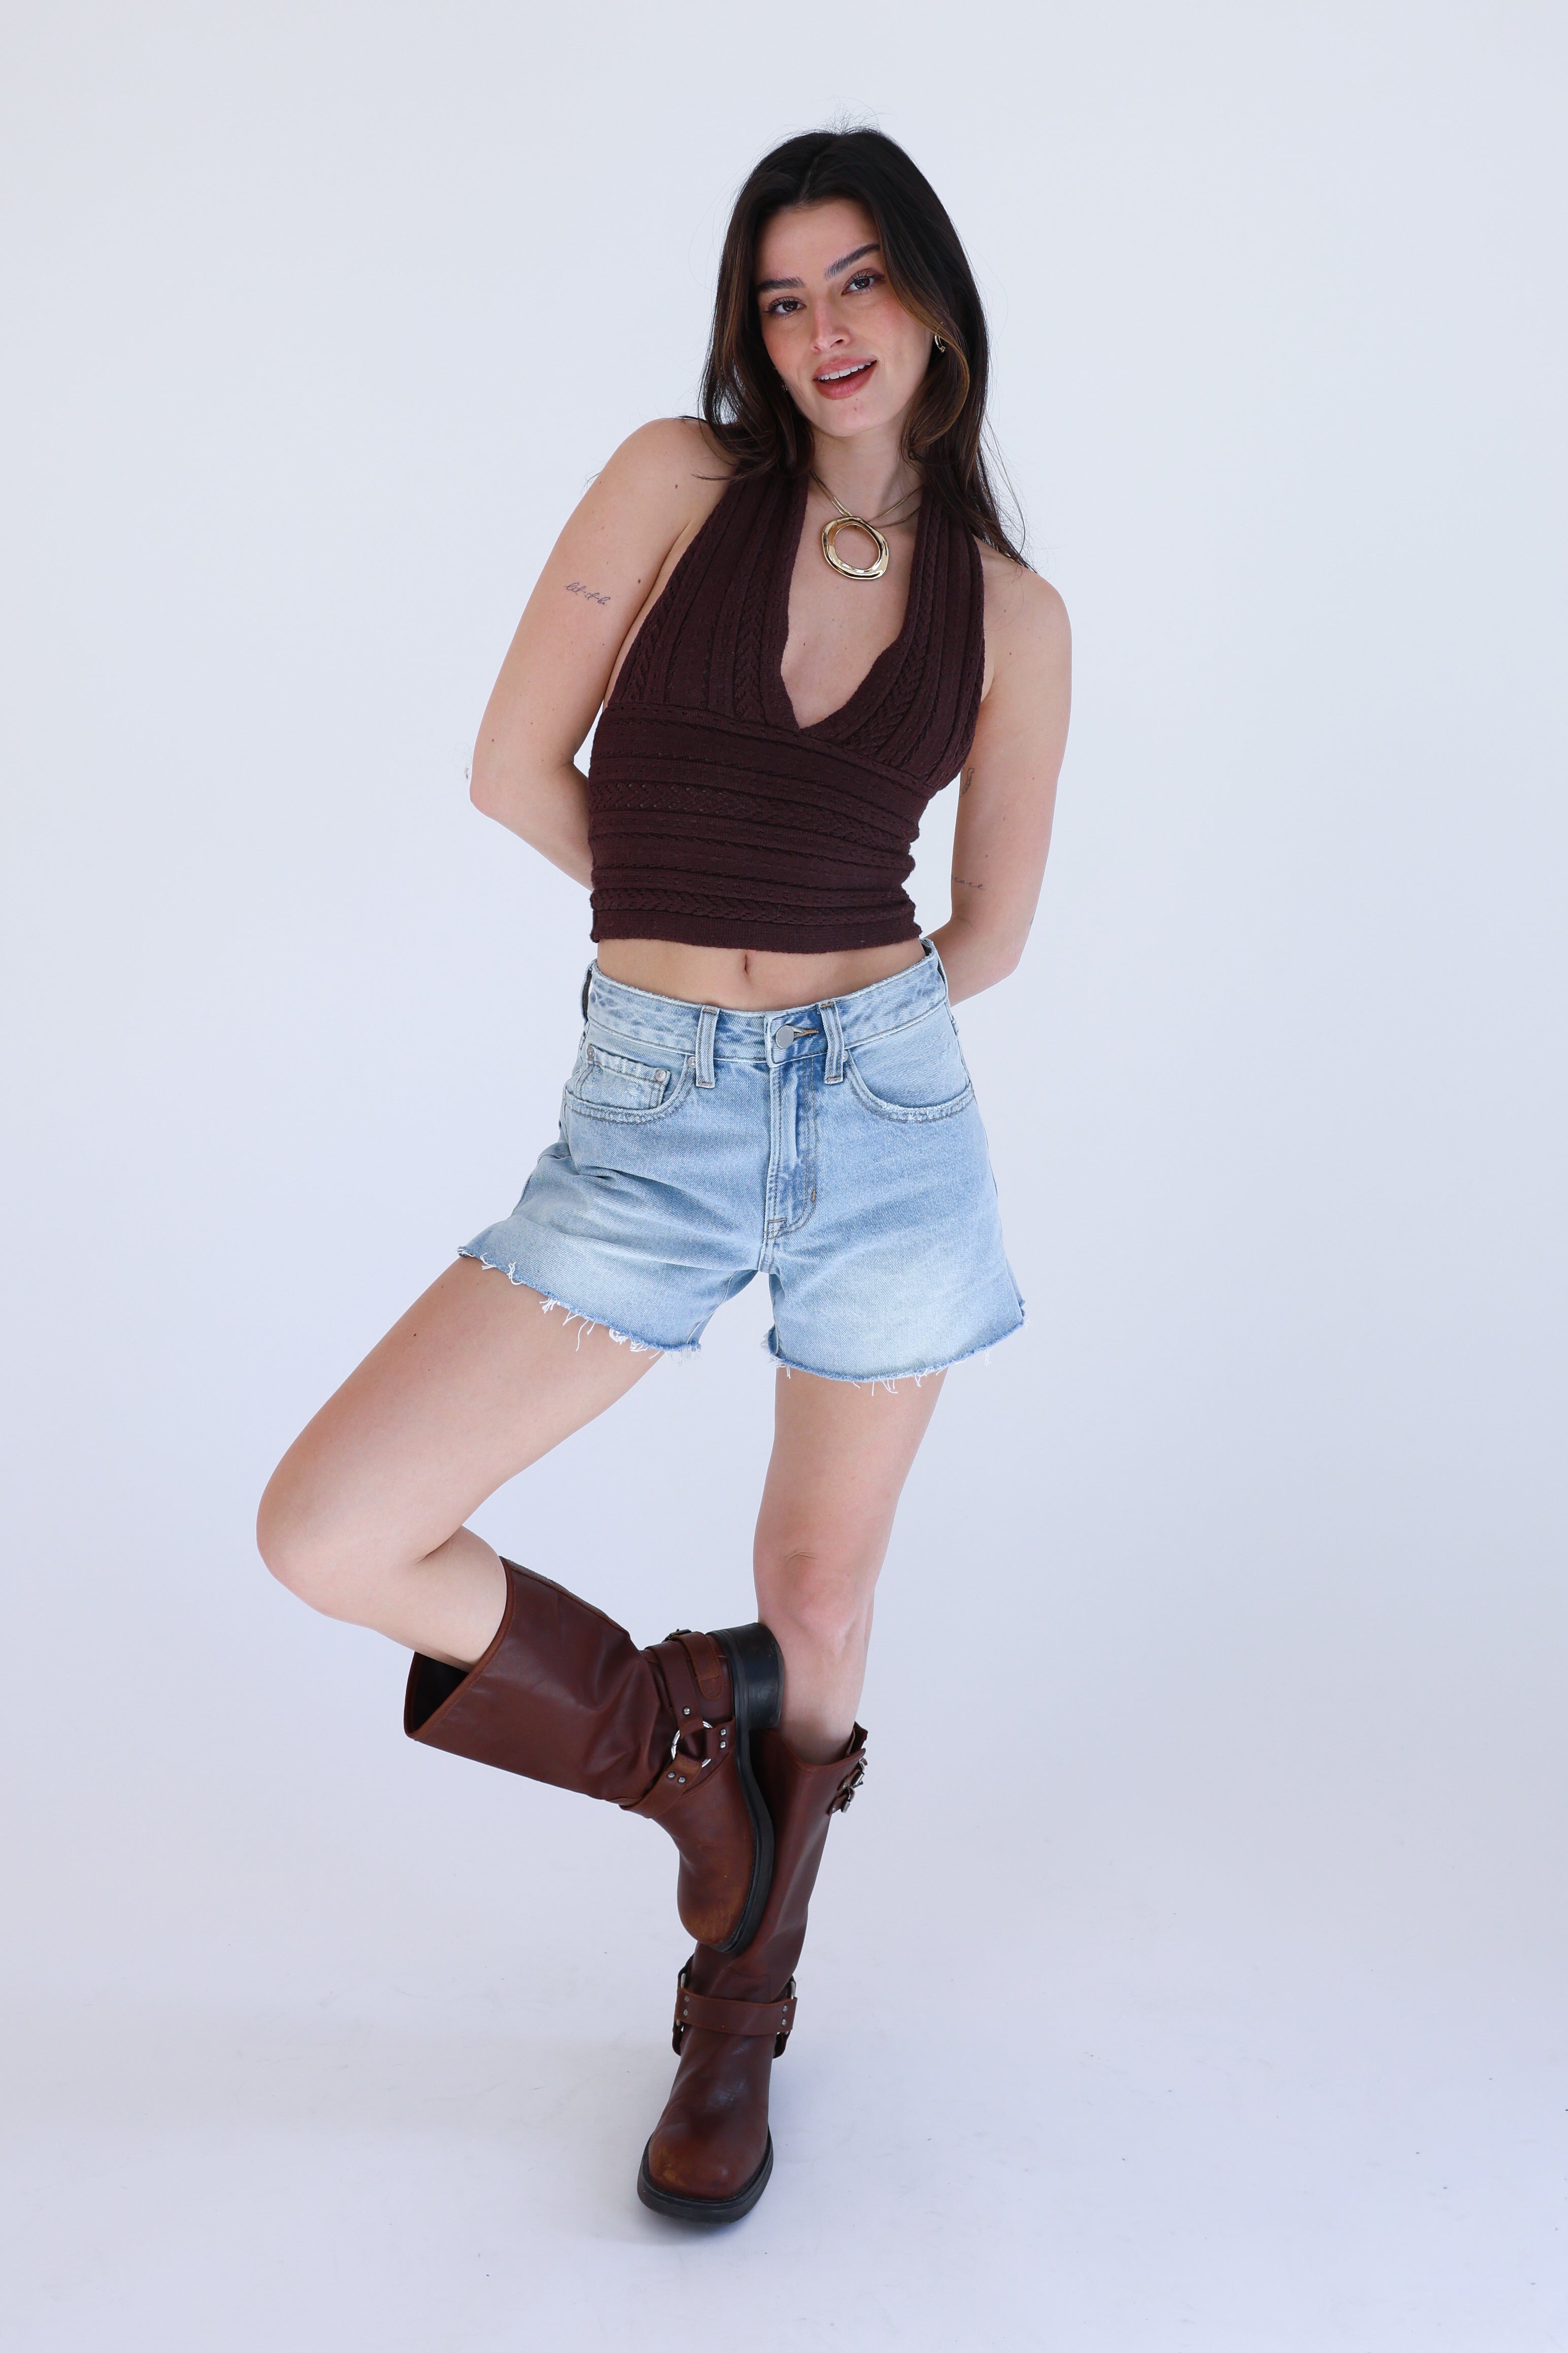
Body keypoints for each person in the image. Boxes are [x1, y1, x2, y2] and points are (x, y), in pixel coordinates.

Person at [256, 125, 1071, 2223]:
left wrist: (827, 997)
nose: (823, 328)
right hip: (651, 1106)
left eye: (859, 278)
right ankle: (681, 1753)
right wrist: (692, 962)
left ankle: (739, 2017)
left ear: (934, 299)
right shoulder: (674, 481)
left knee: (821, 1592)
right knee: (335, 1527)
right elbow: (513, 766)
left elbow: (987, 931)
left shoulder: (1014, 610)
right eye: (782, 297)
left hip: (888, 1115)